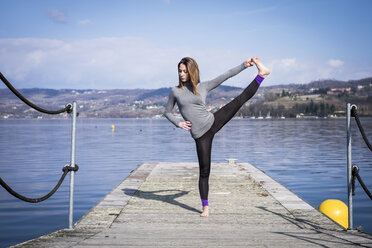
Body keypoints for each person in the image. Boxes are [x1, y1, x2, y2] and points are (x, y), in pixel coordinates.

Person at [164, 57, 270, 217]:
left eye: (185, 71)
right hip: (201, 136)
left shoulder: (203, 86)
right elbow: (167, 112)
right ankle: (205, 207)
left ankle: (261, 74)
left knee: (239, 100)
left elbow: (226, 75)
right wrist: (178, 123)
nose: (181, 74)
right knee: (204, 171)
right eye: (180, 71)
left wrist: (244, 65)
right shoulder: (175, 92)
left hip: (212, 121)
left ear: (192, 71)